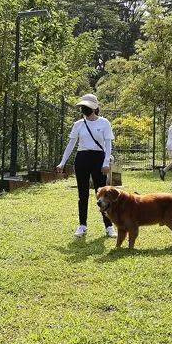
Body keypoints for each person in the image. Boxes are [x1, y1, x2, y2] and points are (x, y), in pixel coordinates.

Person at [55, 93, 115, 238]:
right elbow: (71, 145)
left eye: (87, 106)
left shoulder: (104, 123)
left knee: (102, 194)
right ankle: (82, 225)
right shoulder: (78, 124)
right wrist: (62, 163)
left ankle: (109, 226)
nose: (84, 109)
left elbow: (108, 145)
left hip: (99, 158)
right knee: (82, 195)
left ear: (95, 107)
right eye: (83, 106)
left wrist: (106, 163)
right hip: (82, 158)